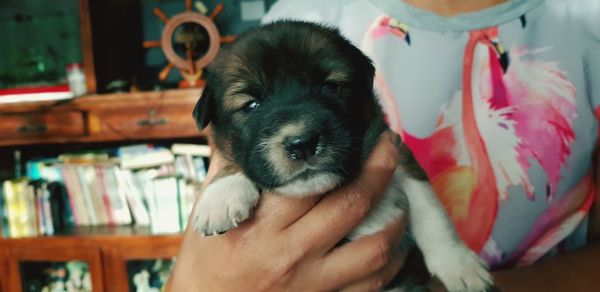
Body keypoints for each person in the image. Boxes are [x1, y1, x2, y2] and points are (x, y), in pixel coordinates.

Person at [167, 0, 600, 290]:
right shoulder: (305, 11)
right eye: (252, 102)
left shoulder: (585, 20)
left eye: (334, 87)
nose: (297, 128)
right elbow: (225, 150)